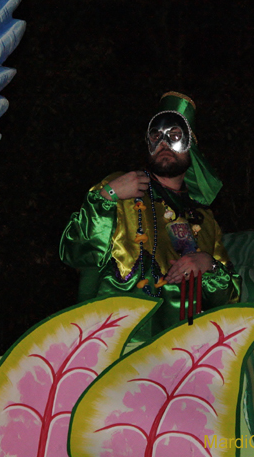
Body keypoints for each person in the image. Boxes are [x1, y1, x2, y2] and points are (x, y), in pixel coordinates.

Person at [60, 91, 240, 341]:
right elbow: (77, 252)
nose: (164, 143)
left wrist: (207, 264)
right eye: (156, 136)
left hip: (184, 351)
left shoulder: (204, 220)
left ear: (192, 146)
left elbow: (229, 297)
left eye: (175, 136)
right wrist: (107, 196)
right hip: (118, 344)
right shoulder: (120, 189)